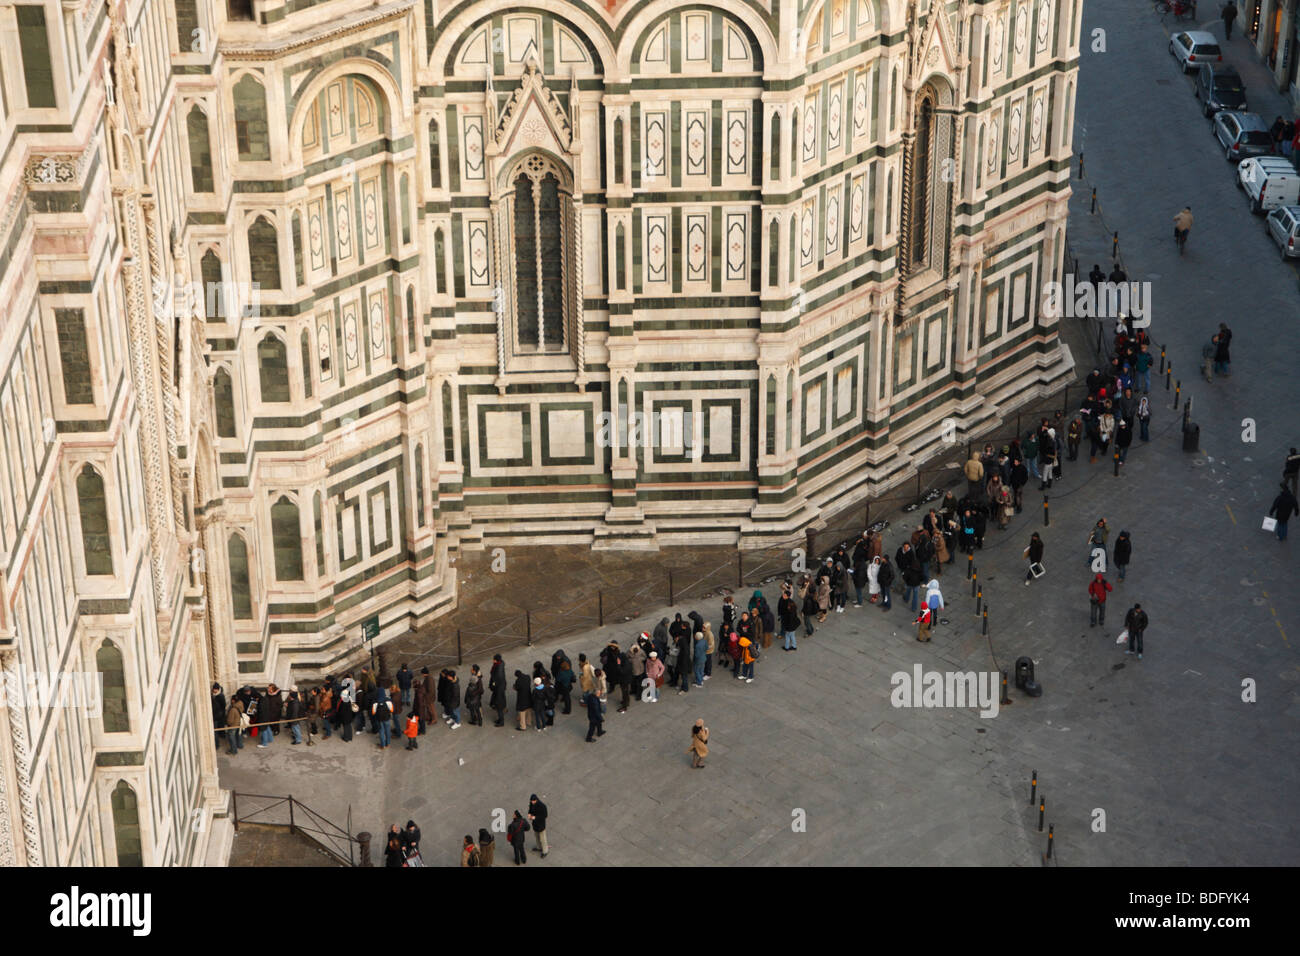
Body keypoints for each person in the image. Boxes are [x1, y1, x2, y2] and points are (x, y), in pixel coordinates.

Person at [488, 654, 508, 727]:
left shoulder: (498, 670)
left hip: (499, 691)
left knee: (499, 708)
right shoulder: (500, 664)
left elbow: (496, 679)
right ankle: (500, 719)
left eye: (494, 659)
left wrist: (493, 685)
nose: (493, 660)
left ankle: (501, 721)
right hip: (500, 688)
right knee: (499, 705)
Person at [778, 586, 800, 651]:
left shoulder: (789, 613)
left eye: (785, 595)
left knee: (788, 636)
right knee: (792, 635)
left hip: (789, 626)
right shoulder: (792, 605)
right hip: (793, 625)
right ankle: (794, 646)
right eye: (783, 594)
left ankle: (787, 647)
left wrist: (786, 627)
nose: (783, 596)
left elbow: (787, 620)